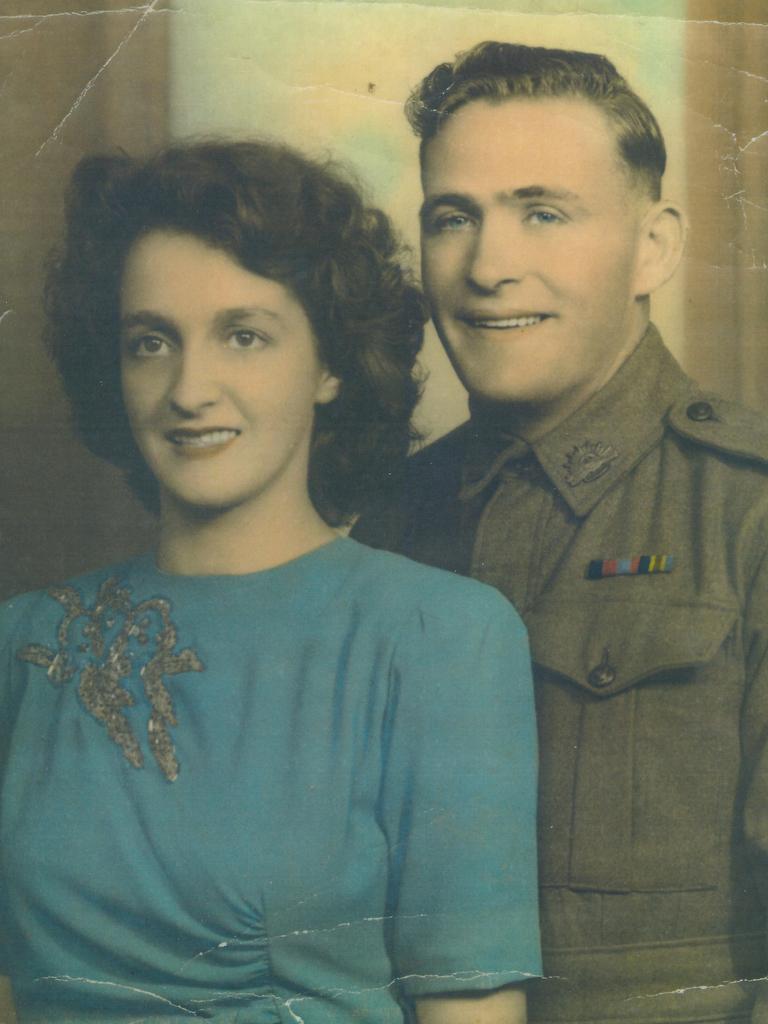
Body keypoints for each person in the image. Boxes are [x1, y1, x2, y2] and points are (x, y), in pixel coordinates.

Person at [0, 140, 541, 1023]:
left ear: (329, 365)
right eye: (151, 343)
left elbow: (471, 1008)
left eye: (243, 336)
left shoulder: (439, 635)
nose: (189, 389)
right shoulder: (21, 645)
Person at [353, 41, 768, 1023]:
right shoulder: (389, 518)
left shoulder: (746, 511)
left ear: (655, 247)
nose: (491, 267)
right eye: (455, 219)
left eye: (543, 212)